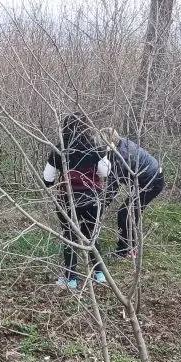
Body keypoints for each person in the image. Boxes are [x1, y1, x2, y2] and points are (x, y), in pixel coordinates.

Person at [42, 113, 111, 290]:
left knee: (70, 237)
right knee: (92, 235)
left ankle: (71, 279)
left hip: (68, 199)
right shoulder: (96, 147)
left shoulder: (60, 148)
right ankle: (99, 274)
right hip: (93, 198)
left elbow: (48, 178)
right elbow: (104, 172)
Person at [101, 128, 164, 259]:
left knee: (126, 213)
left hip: (152, 182)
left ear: (110, 144)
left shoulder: (120, 157)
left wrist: (100, 207)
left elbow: (112, 188)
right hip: (149, 177)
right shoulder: (121, 143)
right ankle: (129, 248)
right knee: (129, 211)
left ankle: (127, 251)